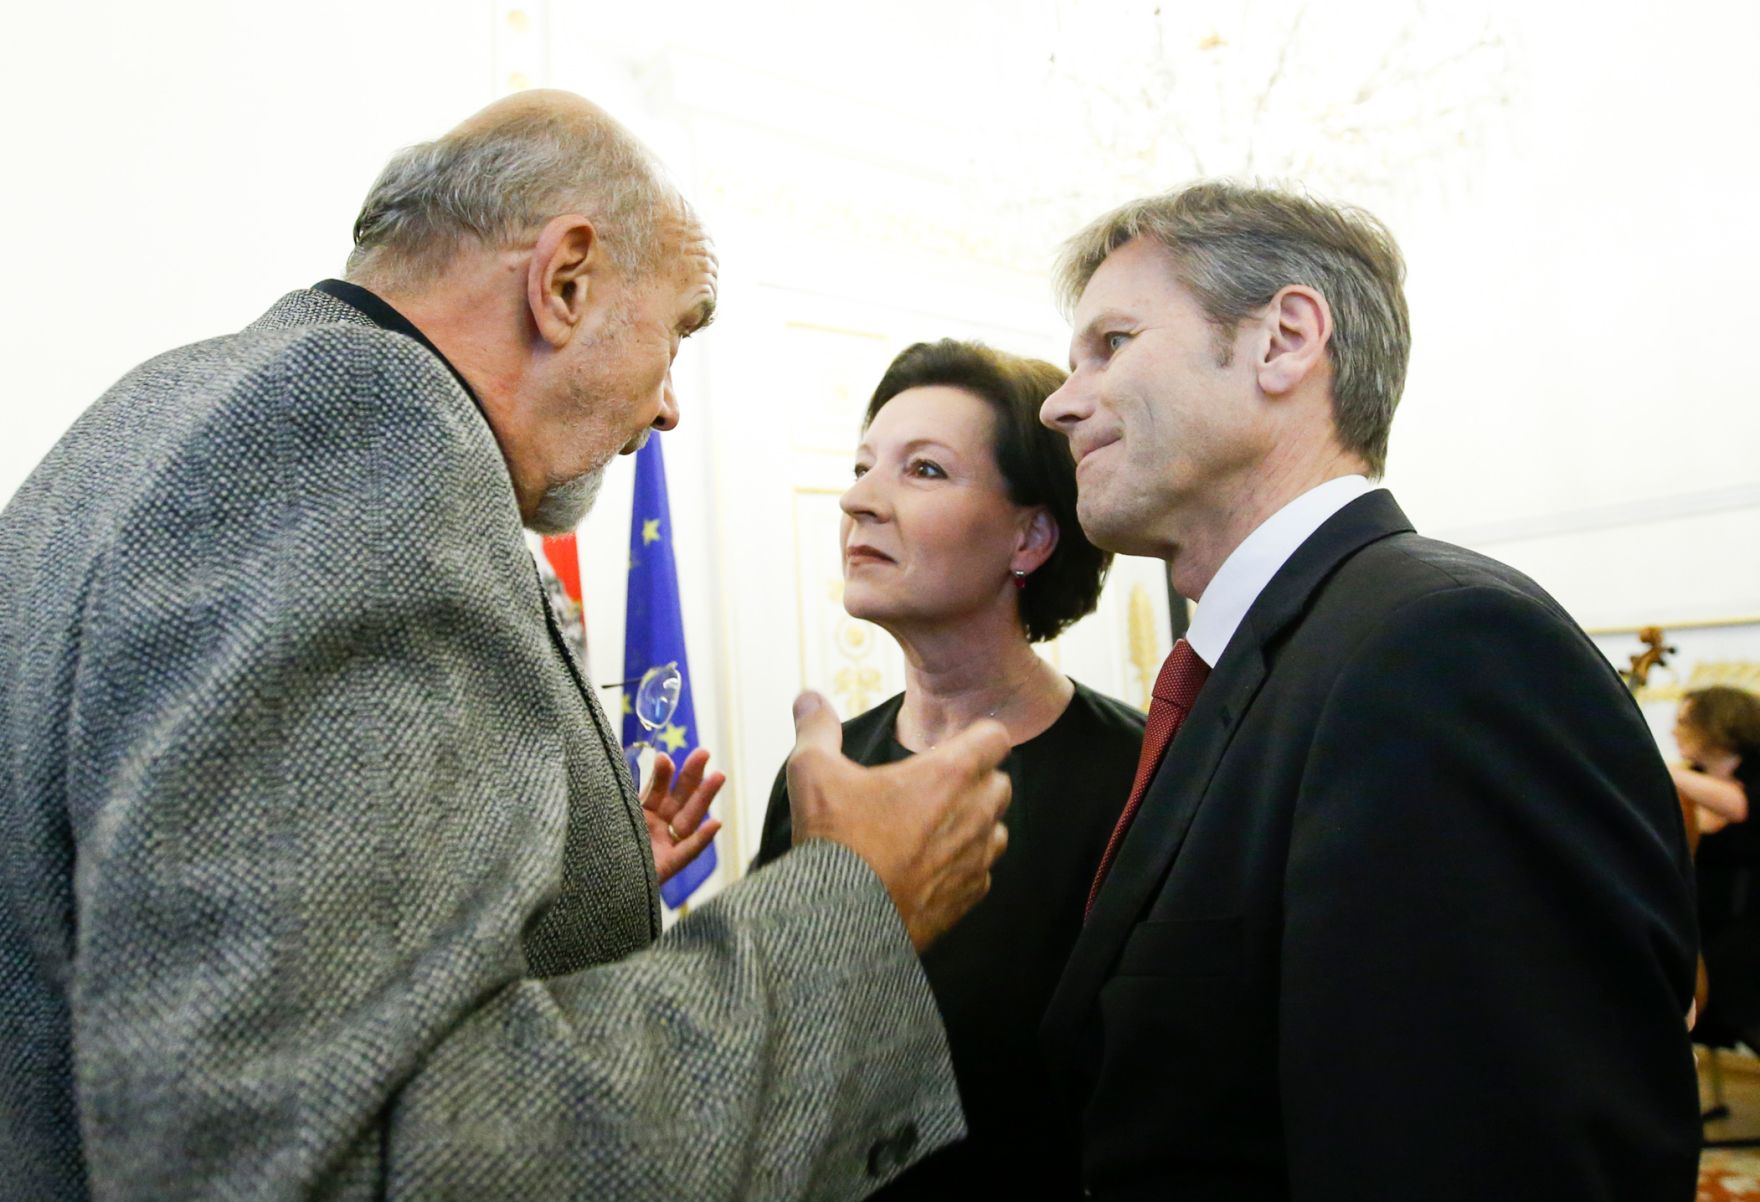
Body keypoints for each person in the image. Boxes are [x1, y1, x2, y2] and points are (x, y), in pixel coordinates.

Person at [0, 91, 1015, 1202]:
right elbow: (311, 1159)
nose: (668, 406)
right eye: (676, 332)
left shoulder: (158, 406)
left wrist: (549, 862)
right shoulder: (361, 424)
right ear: (565, 279)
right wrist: (849, 901)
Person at [1036, 181, 1700, 1200]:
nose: (1059, 399)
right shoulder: (1284, 663)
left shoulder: (1439, 651)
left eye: (1110, 342)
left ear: (1284, 340)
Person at [752, 339, 1145, 1198]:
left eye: (923, 470)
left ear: (1031, 536)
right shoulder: (824, 770)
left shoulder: (1139, 778)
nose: (858, 500)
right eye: (862, 468)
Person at [1672, 685, 1760, 1050]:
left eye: (1684, 721)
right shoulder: (1687, 779)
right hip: (1705, 921)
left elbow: (1740, 807)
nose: (1674, 731)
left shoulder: (1753, 773)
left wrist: (1656, 766)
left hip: (1749, 920)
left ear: (1719, 724)